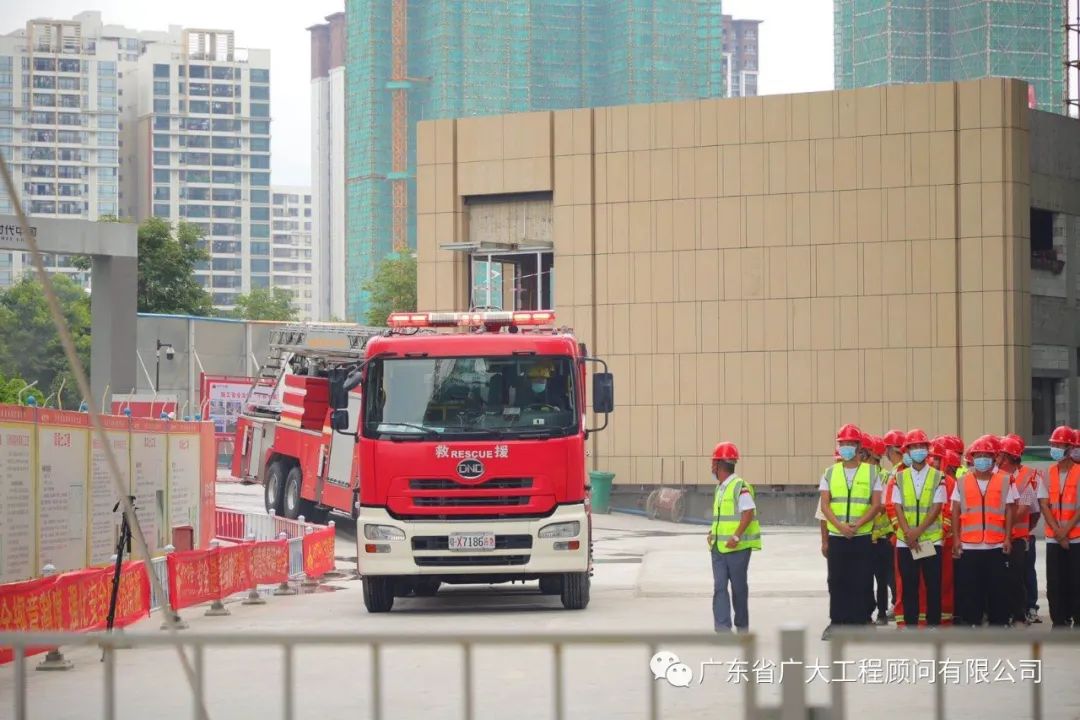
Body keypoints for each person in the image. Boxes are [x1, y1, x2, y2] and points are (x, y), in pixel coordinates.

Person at [819, 424, 883, 640]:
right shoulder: (829, 473)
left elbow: (876, 505)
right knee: (837, 580)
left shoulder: (872, 472)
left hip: (861, 536)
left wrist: (856, 525)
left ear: (858, 447)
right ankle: (837, 622)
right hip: (838, 536)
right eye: (843, 443)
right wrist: (840, 527)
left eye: (850, 443)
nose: (846, 447)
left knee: (861, 580)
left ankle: (859, 622)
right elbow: (825, 505)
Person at [952, 435, 1017, 627]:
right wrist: (956, 539)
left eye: (986, 455)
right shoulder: (962, 482)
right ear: (972, 458)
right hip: (969, 545)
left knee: (997, 587)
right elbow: (955, 510)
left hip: (996, 544)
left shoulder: (1005, 480)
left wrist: (1007, 538)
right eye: (978, 455)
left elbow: (1009, 509)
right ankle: (972, 621)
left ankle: (999, 622)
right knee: (972, 588)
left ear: (994, 458)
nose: (982, 459)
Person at [891, 429, 946, 629]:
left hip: (929, 539)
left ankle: (933, 624)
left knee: (932, 584)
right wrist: (908, 533)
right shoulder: (899, 476)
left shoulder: (937, 476)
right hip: (906, 542)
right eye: (914, 447)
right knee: (909, 584)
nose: (918, 450)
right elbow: (896, 506)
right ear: (907, 451)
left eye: (921, 447)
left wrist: (917, 532)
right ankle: (911, 624)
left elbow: (937, 507)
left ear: (927, 450)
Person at [706, 442, 761, 633]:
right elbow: (723, 517)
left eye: (713, 462)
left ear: (719, 464)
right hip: (718, 548)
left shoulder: (740, 486)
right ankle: (722, 629)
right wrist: (713, 533)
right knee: (720, 587)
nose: (712, 467)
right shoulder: (720, 488)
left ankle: (742, 627)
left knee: (738, 589)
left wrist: (736, 537)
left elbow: (748, 512)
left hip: (737, 549)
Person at [998, 434, 1043, 626]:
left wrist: (1000, 523)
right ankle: (1004, 612)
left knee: (1017, 577)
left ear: (1006, 457)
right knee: (1001, 578)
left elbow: (1027, 510)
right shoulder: (996, 476)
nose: (996, 458)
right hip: (996, 537)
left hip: (1017, 538)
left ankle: (1019, 614)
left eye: (999, 455)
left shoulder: (1027, 479)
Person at [1039, 426, 1080, 629]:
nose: (1054, 448)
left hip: (1076, 537)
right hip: (1053, 537)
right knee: (1054, 582)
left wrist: (1066, 531)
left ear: (1069, 447)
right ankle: (1059, 620)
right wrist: (1057, 531)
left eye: (1058, 444)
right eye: (1053, 444)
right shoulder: (1048, 473)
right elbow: (1044, 504)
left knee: (1075, 580)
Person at [866, 435, 895, 625]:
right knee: (880, 578)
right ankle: (880, 613)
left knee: (881, 578)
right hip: (872, 535)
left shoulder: (882, 476)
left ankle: (881, 613)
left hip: (879, 535)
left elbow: (883, 505)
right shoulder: (877, 475)